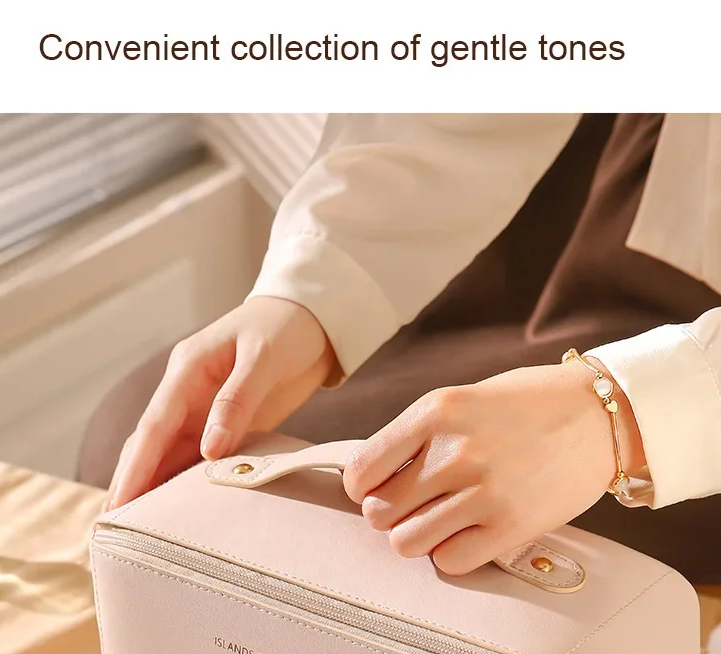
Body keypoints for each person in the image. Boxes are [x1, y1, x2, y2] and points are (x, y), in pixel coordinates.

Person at [101, 113, 721, 579]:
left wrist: (629, 414)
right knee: (149, 437)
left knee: (417, 552)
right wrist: (308, 296)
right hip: (560, 185)